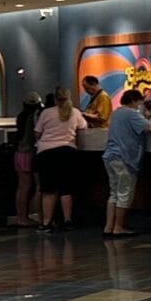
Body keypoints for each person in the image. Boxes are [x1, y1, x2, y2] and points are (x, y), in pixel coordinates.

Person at [32, 87, 86, 230]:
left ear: (55, 99)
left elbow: (37, 133)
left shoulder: (46, 113)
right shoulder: (75, 112)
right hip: (67, 152)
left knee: (48, 190)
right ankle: (67, 220)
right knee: (66, 189)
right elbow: (83, 127)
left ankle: (46, 222)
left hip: (46, 153)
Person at [101, 88, 151, 238]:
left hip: (110, 156)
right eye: (139, 103)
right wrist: (148, 117)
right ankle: (118, 227)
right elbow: (149, 127)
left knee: (113, 193)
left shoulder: (116, 113)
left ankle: (108, 227)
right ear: (133, 101)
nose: (139, 106)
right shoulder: (131, 113)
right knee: (124, 193)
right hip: (124, 157)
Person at [10, 97, 40, 227]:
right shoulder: (33, 117)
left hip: (19, 153)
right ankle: (29, 216)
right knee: (31, 187)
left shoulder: (21, 116)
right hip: (28, 153)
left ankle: (21, 216)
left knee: (22, 187)